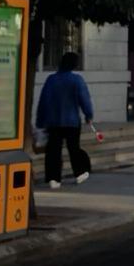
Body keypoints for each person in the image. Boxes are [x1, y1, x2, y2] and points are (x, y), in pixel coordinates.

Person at [36, 51, 95, 189]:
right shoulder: (77, 80)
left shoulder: (51, 79)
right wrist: (89, 115)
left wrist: (40, 121)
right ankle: (79, 173)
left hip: (53, 121)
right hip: (72, 121)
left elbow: (43, 101)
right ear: (74, 64)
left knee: (53, 150)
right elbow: (84, 99)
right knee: (73, 148)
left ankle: (53, 178)